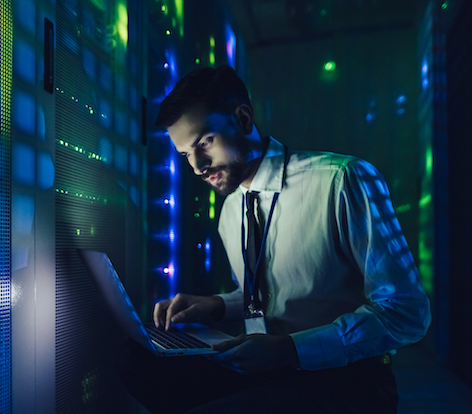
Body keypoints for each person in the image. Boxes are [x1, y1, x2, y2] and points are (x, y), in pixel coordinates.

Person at [116, 66, 431, 414]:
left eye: (204, 142)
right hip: (266, 370)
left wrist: (288, 349)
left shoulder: (342, 180)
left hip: (348, 378)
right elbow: (266, 294)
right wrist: (216, 305)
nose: (197, 166)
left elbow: (406, 312)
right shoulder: (231, 209)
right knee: (137, 361)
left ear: (244, 119)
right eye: (185, 154)